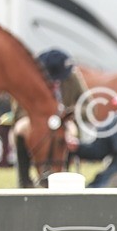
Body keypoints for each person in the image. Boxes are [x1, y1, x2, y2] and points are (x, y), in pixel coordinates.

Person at [13, 48, 89, 186]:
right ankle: (24, 178)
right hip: (37, 121)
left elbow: (88, 106)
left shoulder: (71, 76)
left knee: (71, 131)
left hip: (63, 120)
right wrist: (39, 118)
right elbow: (18, 111)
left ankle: (65, 172)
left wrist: (69, 113)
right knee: (20, 129)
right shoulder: (29, 79)